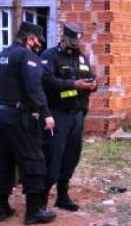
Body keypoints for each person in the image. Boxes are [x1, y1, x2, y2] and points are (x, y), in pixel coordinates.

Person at [0, 22, 57, 225]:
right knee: (34, 160)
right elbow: (34, 88)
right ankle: (34, 212)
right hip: (20, 117)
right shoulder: (27, 57)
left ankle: (2, 208)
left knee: (3, 161)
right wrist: (45, 114)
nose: (39, 46)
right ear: (30, 38)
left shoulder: (0, 56)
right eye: (38, 41)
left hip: (0, 116)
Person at [41, 22, 98, 212]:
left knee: (72, 156)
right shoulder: (50, 56)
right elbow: (46, 81)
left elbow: (89, 76)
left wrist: (93, 84)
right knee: (54, 156)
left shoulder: (81, 57)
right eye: (72, 43)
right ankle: (40, 201)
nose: (75, 47)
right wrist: (74, 84)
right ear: (63, 38)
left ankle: (62, 196)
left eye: (78, 43)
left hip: (77, 114)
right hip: (58, 114)